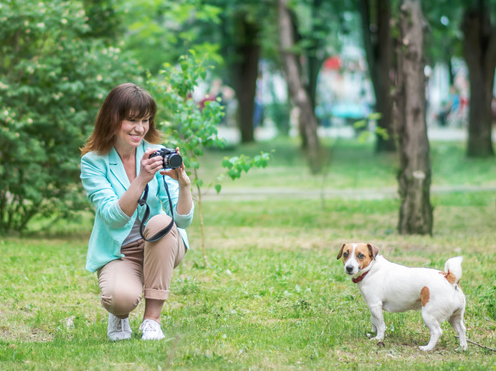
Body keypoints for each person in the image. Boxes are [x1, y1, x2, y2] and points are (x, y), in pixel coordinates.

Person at [80, 83, 194, 341]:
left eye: (145, 120)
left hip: (160, 243)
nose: (140, 128)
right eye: (131, 120)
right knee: (118, 299)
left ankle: (152, 321)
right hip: (119, 251)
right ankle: (120, 315)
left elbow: (182, 220)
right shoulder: (93, 162)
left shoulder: (156, 152)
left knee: (162, 221)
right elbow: (112, 215)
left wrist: (183, 184)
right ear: (112, 119)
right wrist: (141, 178)